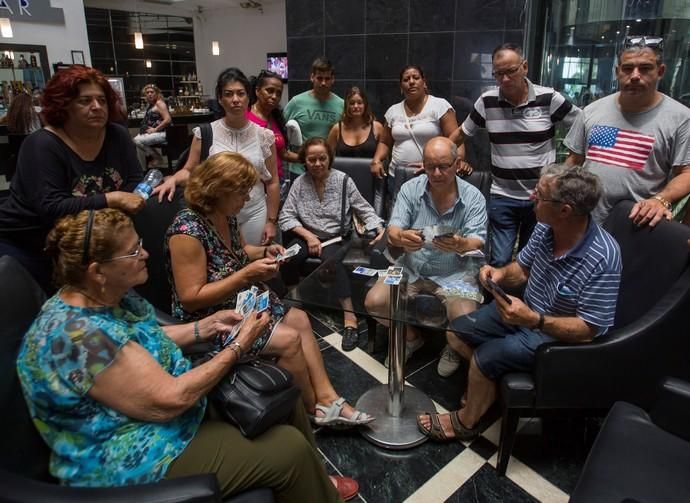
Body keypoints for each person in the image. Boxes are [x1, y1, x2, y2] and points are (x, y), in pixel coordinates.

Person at [16, 208, 357, 501]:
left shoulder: (105, 296)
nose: (146, 254)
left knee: (286, 396)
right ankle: (306, 480)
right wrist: (238, 347)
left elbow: (146, 337)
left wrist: (206, 327)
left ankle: (311, 485)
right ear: (96, 270)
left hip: (165, 411)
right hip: (130, 452)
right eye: (133, 252)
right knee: (288, 450)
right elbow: (170, 400)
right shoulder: (81, 339)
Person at [166, 151, 374, 429]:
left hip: (239, 301)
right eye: (242, 192)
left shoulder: (225, 215)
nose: (248, 199)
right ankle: (313, 409)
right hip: (210, 319)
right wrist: (245, 275)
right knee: (289, 339)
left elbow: (240, 251)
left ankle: (328, 395)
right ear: (218, 190)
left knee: (299, 317)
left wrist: (265, 250)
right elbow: (191, 299)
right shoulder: (187, 231)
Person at [417, 164, 621, 442]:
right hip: (523, 315)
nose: (531, 198)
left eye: (540, 195)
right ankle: (486, 389)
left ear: (565, 210)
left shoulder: (603, 257)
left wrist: (533, 320)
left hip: (553, 336)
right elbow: (522, 269)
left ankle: (466, 423)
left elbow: (589, 329)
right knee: (455, 332)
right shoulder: (545, 227)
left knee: (482, 357)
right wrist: (498, 275)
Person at [0, 65, 144, 291]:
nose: (96, 107)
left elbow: (135, 179)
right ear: (63, 106)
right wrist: (111, 199)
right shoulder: (42, 144)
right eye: (85, 101)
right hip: (31, 244)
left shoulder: (117, 135)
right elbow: (51, 207)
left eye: (102, 100)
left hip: (86, 242)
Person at [450, 43, 581, 267]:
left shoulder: (548, 98)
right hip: (502, 195)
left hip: (541, 198)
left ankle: (524, 301)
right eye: (498, 74)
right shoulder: (487, 102)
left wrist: (567, 168)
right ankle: (497, 300)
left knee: (531, 261)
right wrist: (436, 157)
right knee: (499, 259)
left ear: (525, 67)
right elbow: (461, 133)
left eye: (511, 71)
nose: (505, 79)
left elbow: (582, 124)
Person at [364, 137, 486, 371]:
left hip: (456, 271)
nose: (437, 173)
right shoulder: (411, 188)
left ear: (457, 163)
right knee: (374, 302)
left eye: (444, 166)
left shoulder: (473, 196)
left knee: (464, 322)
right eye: (430, 166)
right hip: (410, 266)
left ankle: (452, 345)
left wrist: (460, 244)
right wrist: (401, 238)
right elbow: (394, 230)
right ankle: (411, 338)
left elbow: (478, 240)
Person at [564, 38, 690, 227]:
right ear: (617, 72)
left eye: (645, 68)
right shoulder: (592, 111)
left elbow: (686, 172)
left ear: (660, 71)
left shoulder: (680, 118)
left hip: (636, 225)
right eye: (628, 68)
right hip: (586, 221)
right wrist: (554, 188)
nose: (635, 76)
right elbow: (575, 160)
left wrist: (661, 199)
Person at [279, 138, 384, 351]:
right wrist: (308, 236)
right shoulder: (299, 183)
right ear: (304, 161)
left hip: (336, 238)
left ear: (329, 159)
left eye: (322, 158)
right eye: (312, 159)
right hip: (308, 236)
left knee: (332, 262)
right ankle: (296, 301)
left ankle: (350, 319)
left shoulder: (343, 181)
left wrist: (380, 228)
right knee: (287, 257)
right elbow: (286, 216)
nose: (317, 164)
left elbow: (364, 209)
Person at [155, 68, 280, 246]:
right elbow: (190, 171)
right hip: (218, 213)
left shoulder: (264, 136)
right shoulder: (205, 133)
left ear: (248, 97)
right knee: (224, 265)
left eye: (240, 94)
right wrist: (173, 179)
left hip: (254, 211)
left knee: (254, 262)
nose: (235, 100)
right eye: (228, 94)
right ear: (220, 99)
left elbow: (272, 181)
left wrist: (271, 221)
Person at [371, 65, 471, 211]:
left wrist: (459, 160)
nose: (411, 82)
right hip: (398, 177)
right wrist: (376, 160)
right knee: (400, 218)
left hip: (432, 175)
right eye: (406, 79)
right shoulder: (393, 111)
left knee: (428, 217)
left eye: (416, 78)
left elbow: (456, 139)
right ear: (401, 86)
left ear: (424, 82)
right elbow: (385, 142)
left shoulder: (439, 106)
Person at [284, 57, 344, 179]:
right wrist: (288, 154)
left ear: (333, 80)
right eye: (319, 78)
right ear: (312, 77)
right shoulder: (297, 102)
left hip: (328, 169)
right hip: (300, 168)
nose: (323, 82)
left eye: (327, 79)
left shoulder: (341, 104)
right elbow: (279, 128)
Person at [248, 69, 299, 185]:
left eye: (278, 93)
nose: (274, 96)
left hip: (277, 182)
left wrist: (307, 157)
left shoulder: (276, 118)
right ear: (257, 91)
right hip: (253, 184)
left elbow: (283, 154)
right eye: (269, 91)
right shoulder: (246, 117)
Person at [327, 86, 383, 158]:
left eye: (359, 103)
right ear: (347, 106)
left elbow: (384, 157)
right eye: (352, 103)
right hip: (342, 169)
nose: (356, 106)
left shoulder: (377, 127)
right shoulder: (337, 128)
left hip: (370, 169)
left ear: (365, 105)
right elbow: (327, 156)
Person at [133, 84, 171, 169]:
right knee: (136, 143)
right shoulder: (152, 104)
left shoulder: (159, 103)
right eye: (147, 92)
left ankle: (158, 158)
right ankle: (143, 169)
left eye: (152, 92)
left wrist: (155, 129)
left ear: (157, 93)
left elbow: (168, 119)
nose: (149, 94)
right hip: (157, 132)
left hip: (164, 133)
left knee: (136, 140)